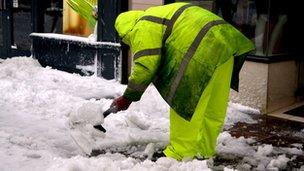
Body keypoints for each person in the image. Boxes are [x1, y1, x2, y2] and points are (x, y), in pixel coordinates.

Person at [109, 2, 254, 160]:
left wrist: (127, 97)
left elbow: (146, 65)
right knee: (213, 107)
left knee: (184, 101)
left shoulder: (142, 26)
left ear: (124, 32)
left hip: (201, 48)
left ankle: (180, 153)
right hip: (226, 43)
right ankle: (204, 150)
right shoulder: (159, 14)